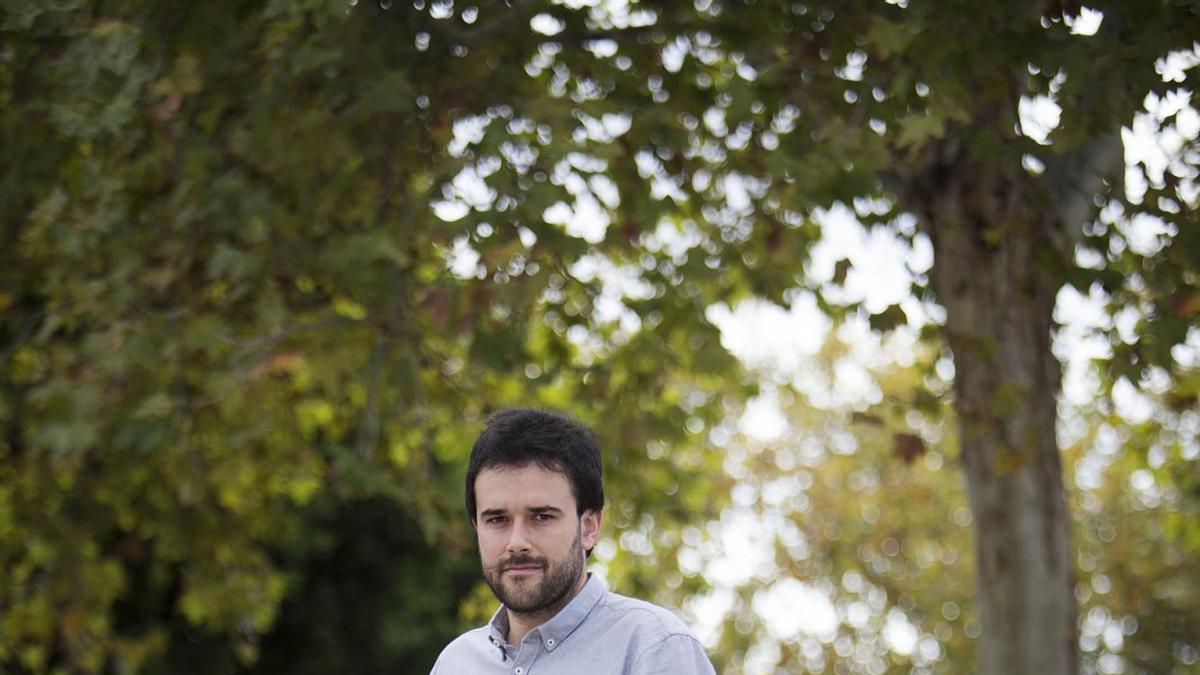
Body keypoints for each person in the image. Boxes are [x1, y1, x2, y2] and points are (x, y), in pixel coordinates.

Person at [430, 407, 717, 675]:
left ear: (589, 527)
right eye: (497, 520)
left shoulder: (654, 647)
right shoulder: (456, 664)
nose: (516, 542)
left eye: (541, 516)